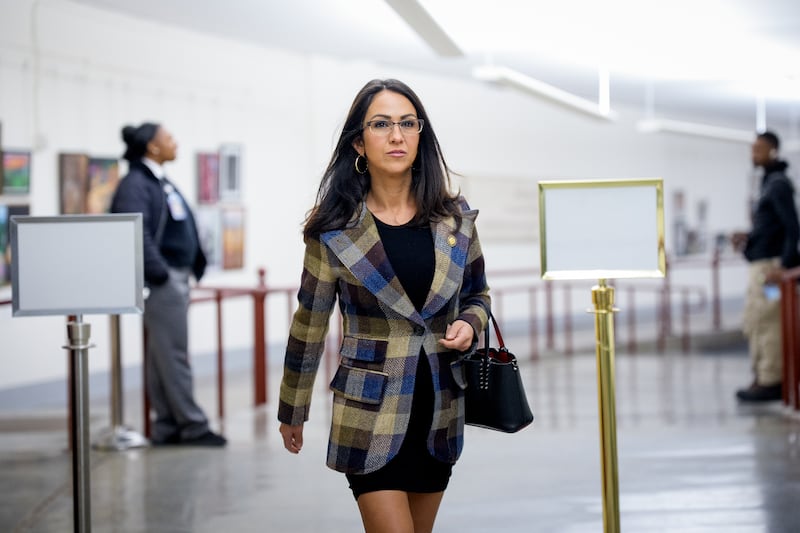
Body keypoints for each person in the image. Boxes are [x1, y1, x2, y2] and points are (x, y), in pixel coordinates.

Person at [277, 79, 490, 532]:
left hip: (438, 407)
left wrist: (470, 324)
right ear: (359, 141)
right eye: (381, 124)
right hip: (369, 410)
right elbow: (309, 323)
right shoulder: (333, 230)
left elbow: (478, 294)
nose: (397, 135)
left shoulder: (455, 220)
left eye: (408, 123)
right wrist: (291, 409)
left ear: (420, 135)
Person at [111, 123, 226, 446]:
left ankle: (168, 425)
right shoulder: (136, 184)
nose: (175, 142)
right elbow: (135, 231)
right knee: (173, 355)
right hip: (162, 281)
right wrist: (159, 272)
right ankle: (193, 425)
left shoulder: (156, 180)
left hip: (174, 276)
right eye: (169, 138)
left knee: (162, 355)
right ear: (152, 147)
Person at [732, 130, 800, 402]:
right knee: (758, 321)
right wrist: (749, 237)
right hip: (762, 266)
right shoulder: (769, 183)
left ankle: (771, 379)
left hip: (769, 271)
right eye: (752, 149)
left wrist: (782, 267)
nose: (753, 154)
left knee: (768, 321)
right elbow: (774, 228)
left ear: (773, 150)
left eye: (759, 149)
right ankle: (763, 376)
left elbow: (793, 229)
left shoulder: (778, 184)